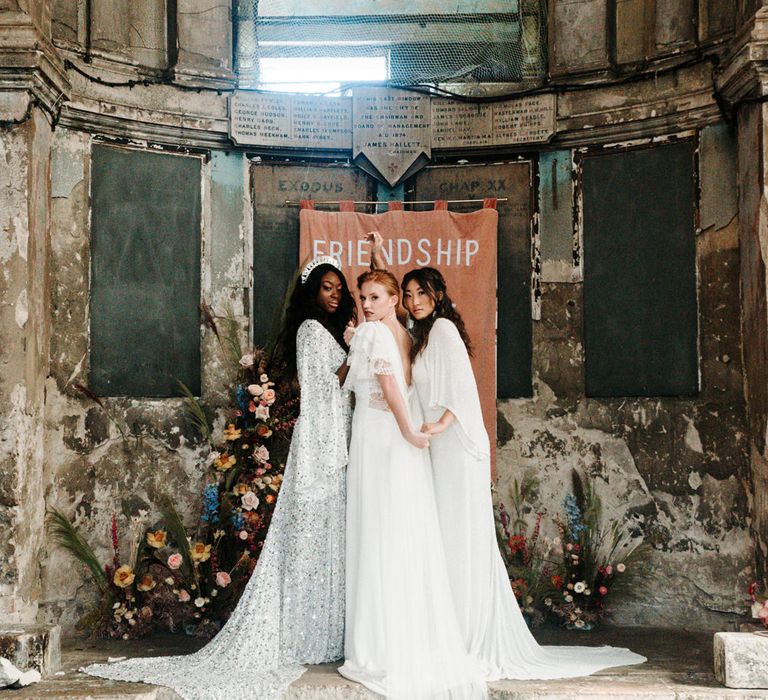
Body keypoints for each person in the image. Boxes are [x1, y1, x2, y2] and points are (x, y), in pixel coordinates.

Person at [82, 255, 357, 700]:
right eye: (328, 287)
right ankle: (303, 633)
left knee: (328, 534)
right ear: (312, 293)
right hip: (318, 445)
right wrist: (358, 356)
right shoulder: (310, 332)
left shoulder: (333, 331)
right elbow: (320, 387)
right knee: (309, 533)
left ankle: (324, 628)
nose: (336, 294)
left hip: (335, 437)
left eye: (340, 288)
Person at [400, 263, 646, 680]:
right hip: (436, 447)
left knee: (460, 535)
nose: (414, 300)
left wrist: (439, 426)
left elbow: (463, 387)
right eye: (407, 294)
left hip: (455, 446)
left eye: (421, 292)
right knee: (444, 536)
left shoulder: (442, 330)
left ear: (437, 295)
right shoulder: (421, 338)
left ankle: (466, 634)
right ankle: (447, 628)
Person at [338, 269, 487, 700]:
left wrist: (408, 429)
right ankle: (404, 629)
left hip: (382, 437)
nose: (366, 305)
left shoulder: (377, 335)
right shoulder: (402, 331)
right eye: (362, 297)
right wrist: (376, 262)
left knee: (380, 529)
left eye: (375, 298)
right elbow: (392, 365)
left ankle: (379, 644)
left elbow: (388, 384)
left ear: (391, 302)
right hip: (393, 441)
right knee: (399, 527)